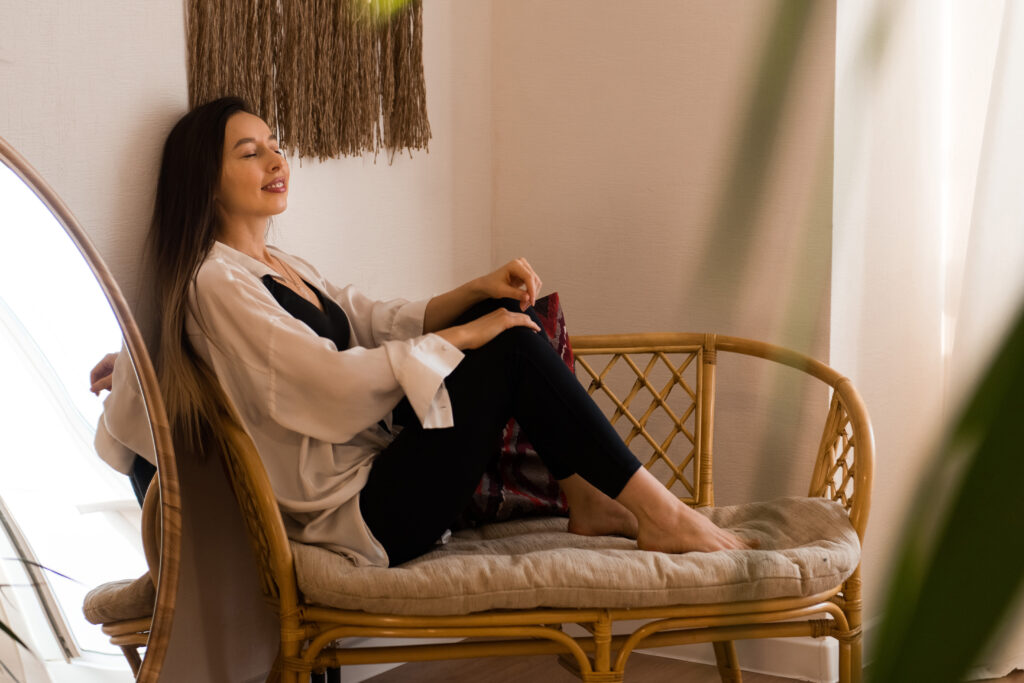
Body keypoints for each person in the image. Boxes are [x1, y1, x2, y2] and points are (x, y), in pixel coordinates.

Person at [95, 96, 749, 567]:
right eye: (250, 151)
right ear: (205, 183)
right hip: (365, 513)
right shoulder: (216, 281)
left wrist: (476, 293)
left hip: (381, 472)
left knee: (515, 315)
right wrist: (468, 337)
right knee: (513, 346)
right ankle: (660, 513)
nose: (276, 158)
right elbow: (329, 378)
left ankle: (586, 495)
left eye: (274, 144)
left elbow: (371, 317)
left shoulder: (276, 266)